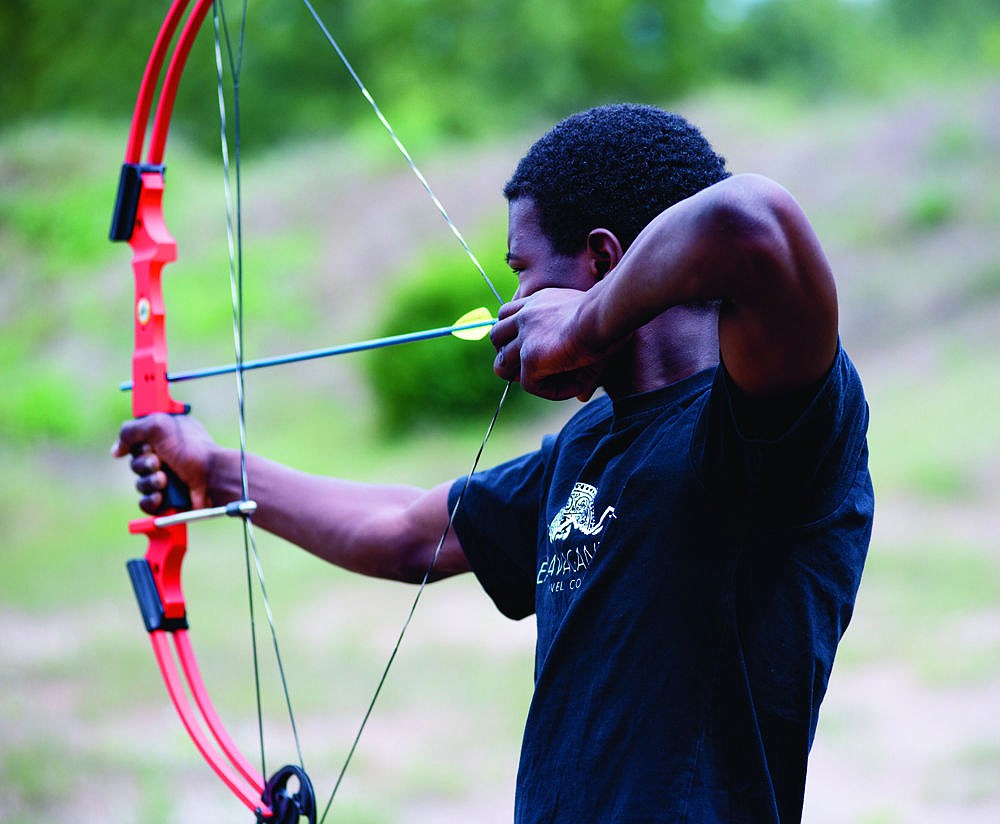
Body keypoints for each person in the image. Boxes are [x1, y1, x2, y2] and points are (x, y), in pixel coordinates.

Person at [114, 104, 874, 823]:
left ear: (603, 259)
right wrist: (212, 469)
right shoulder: (590, 443)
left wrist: (583, 324)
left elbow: (751, 222)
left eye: (522, 270)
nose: (513, 304)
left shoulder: (770, 430)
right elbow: (406, 532)